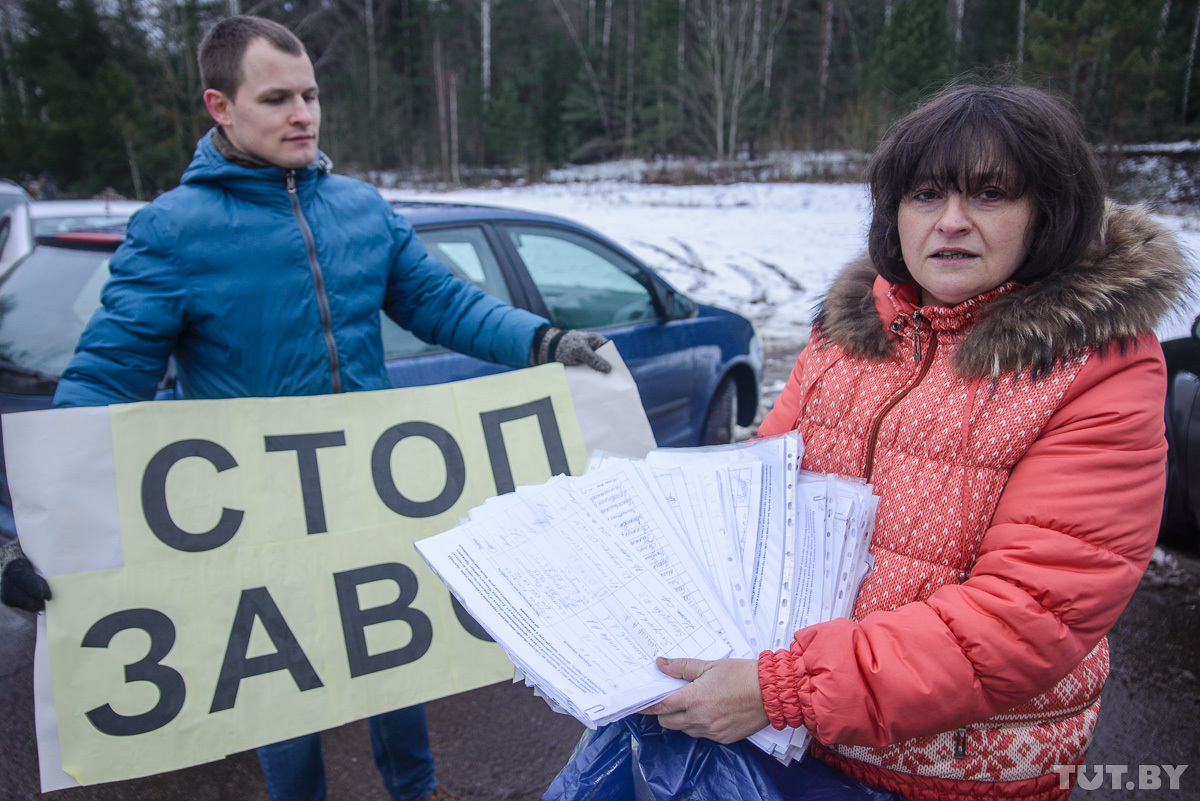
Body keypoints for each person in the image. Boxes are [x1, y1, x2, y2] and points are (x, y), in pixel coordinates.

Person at [0, 14, 609, 801]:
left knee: (399, 657)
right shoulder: (172, 231)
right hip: (251, 518)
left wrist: (544, 340)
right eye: (278, 97)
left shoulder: (361, 208)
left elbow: (443, 303)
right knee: (281, 690)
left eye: (312, 95)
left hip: (367, 497)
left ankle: (418, 791)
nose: (303, 114)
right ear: (220, 107)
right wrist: (30, 530)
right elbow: (104, 382)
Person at [643, 83, 1191, 799]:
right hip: (792, 733)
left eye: (991, 195)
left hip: (951, 765)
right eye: (927, 194)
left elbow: (1025, 615)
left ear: (1046, 213)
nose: (952, 222)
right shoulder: (852, 328)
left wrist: (787, 687)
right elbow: (761, 488)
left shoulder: (1095, 364)